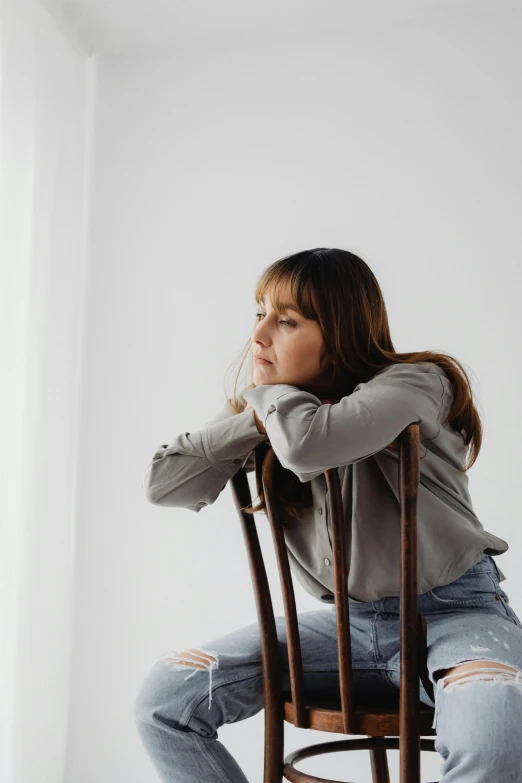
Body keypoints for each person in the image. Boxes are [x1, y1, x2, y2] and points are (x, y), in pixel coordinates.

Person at [135, 248, 522, 782]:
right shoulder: (276, 417)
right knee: (166, 701)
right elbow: (164, 483)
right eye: (259, 313)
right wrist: (253, 420)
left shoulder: (418, 383)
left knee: (494, 736)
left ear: (339, 336)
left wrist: (269, 398)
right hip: (348, 629)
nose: (259, 336)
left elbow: (311, 445)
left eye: (287, 321)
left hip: (455, 615)